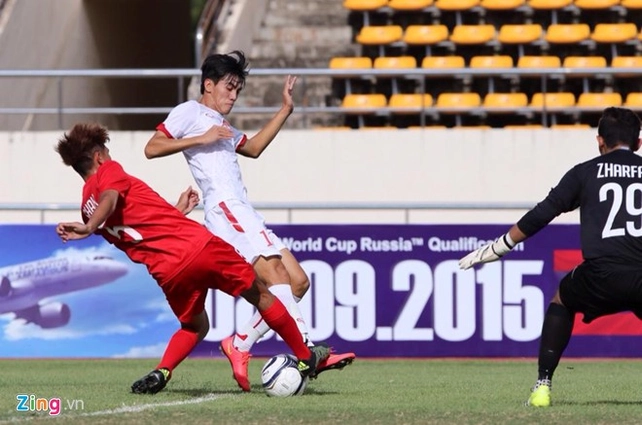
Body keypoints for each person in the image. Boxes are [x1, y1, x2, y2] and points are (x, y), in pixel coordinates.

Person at [54, 122, 330, 394]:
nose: (111, 157)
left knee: (195, 326)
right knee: (263, 295)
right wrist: (90, 230)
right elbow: (111, 198)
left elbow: (137, 230)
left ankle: (162, 370)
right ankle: (306, 357)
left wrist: (176, 211)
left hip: (168, 272)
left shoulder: (86, 210)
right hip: (200, 248)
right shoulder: (109, 173)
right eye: (107, 152)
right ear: (99, 156)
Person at [144, 50, 355, 391]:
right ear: (208, 84)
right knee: (276, 276)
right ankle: (308, 352)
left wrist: (285, 110)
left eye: (238, 90)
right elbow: (152, 147)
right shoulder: (191, 112)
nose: (233, 95)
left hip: (244, 209)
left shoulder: (223, 124)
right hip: (226, 210)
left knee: (298, 282)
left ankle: (239, 343)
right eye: (229, 87)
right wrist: (202, 138)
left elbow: (253, 148)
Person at [458, 107, 642, 407]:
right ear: (638, 143)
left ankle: (543, 384)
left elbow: (543, 212)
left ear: (599, 141)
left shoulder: (585, 171)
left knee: (561, 299)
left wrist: (500, 247)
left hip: (599, 276)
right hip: (640, 274)